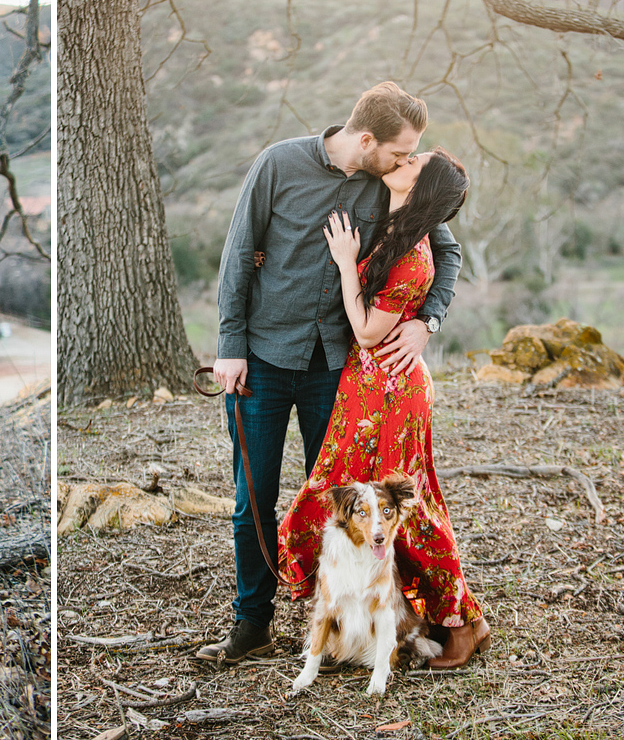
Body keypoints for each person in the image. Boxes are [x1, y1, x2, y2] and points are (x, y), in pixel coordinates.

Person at [197, 81, 461, 664]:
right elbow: (239, 253)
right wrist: (230, 344)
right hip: (261, 359)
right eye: (399, 150)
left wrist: (427, 323)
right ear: (367, 139)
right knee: (252, 498)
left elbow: (449, 251)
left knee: (345, 502)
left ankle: (346, 624)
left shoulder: (389, 184)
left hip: (336, 370)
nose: (405, 161)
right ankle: (252, 624)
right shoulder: (278, 163)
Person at [277, 150, 487, 668]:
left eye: (415, 158)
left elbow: (370, 330)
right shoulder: (385, 206)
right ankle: (357, 613)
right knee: (346, 491)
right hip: (365, 388)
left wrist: (423, 316)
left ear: (422, 187)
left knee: (411, 509)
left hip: (391, 387)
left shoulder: (414, 246)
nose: (405, 156)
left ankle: (464, 622)